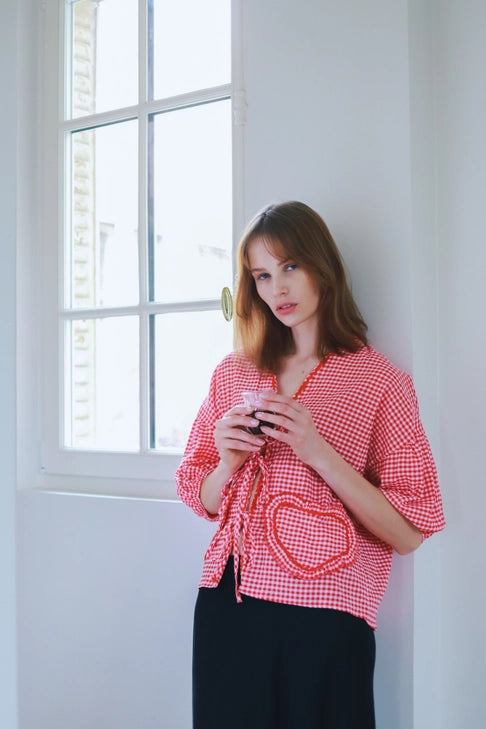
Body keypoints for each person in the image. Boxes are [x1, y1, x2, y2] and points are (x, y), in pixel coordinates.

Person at [175, 201, 445, 729]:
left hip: (326, 618)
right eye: (262, 275)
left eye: (291, 267)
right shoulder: (233, 373)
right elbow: (199, 495)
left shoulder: (380, 383)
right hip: (228, 606)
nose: (278, 289)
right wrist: (227, 463)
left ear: (323, 266)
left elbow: (410, 532)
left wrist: (318, 452)